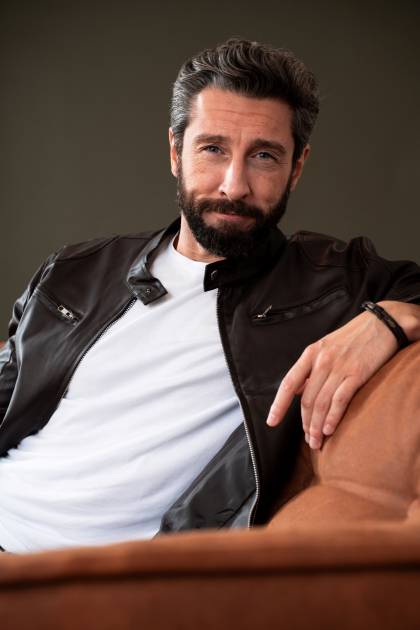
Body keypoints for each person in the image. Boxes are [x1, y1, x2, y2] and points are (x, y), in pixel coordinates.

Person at [1, 38, 420, 554]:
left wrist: (388, 318)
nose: (234, 185)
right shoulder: (75, 270)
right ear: (175, 152)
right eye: (213, 149)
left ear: (297, 167)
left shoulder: (330, 280)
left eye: (264, 156)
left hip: (79, 576)